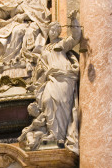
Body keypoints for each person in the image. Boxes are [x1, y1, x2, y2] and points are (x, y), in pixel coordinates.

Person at [32, 21, 79, 153]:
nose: (52, 32)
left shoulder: (61, 44)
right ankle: (53, 133)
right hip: (50, 78)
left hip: (64, 77)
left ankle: (60, 137)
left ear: (59, 32)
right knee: (47, 100)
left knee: (62, 105)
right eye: (51, 30)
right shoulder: (44, 48)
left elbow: (76, 37)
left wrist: (74, 22)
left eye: (55, 30)